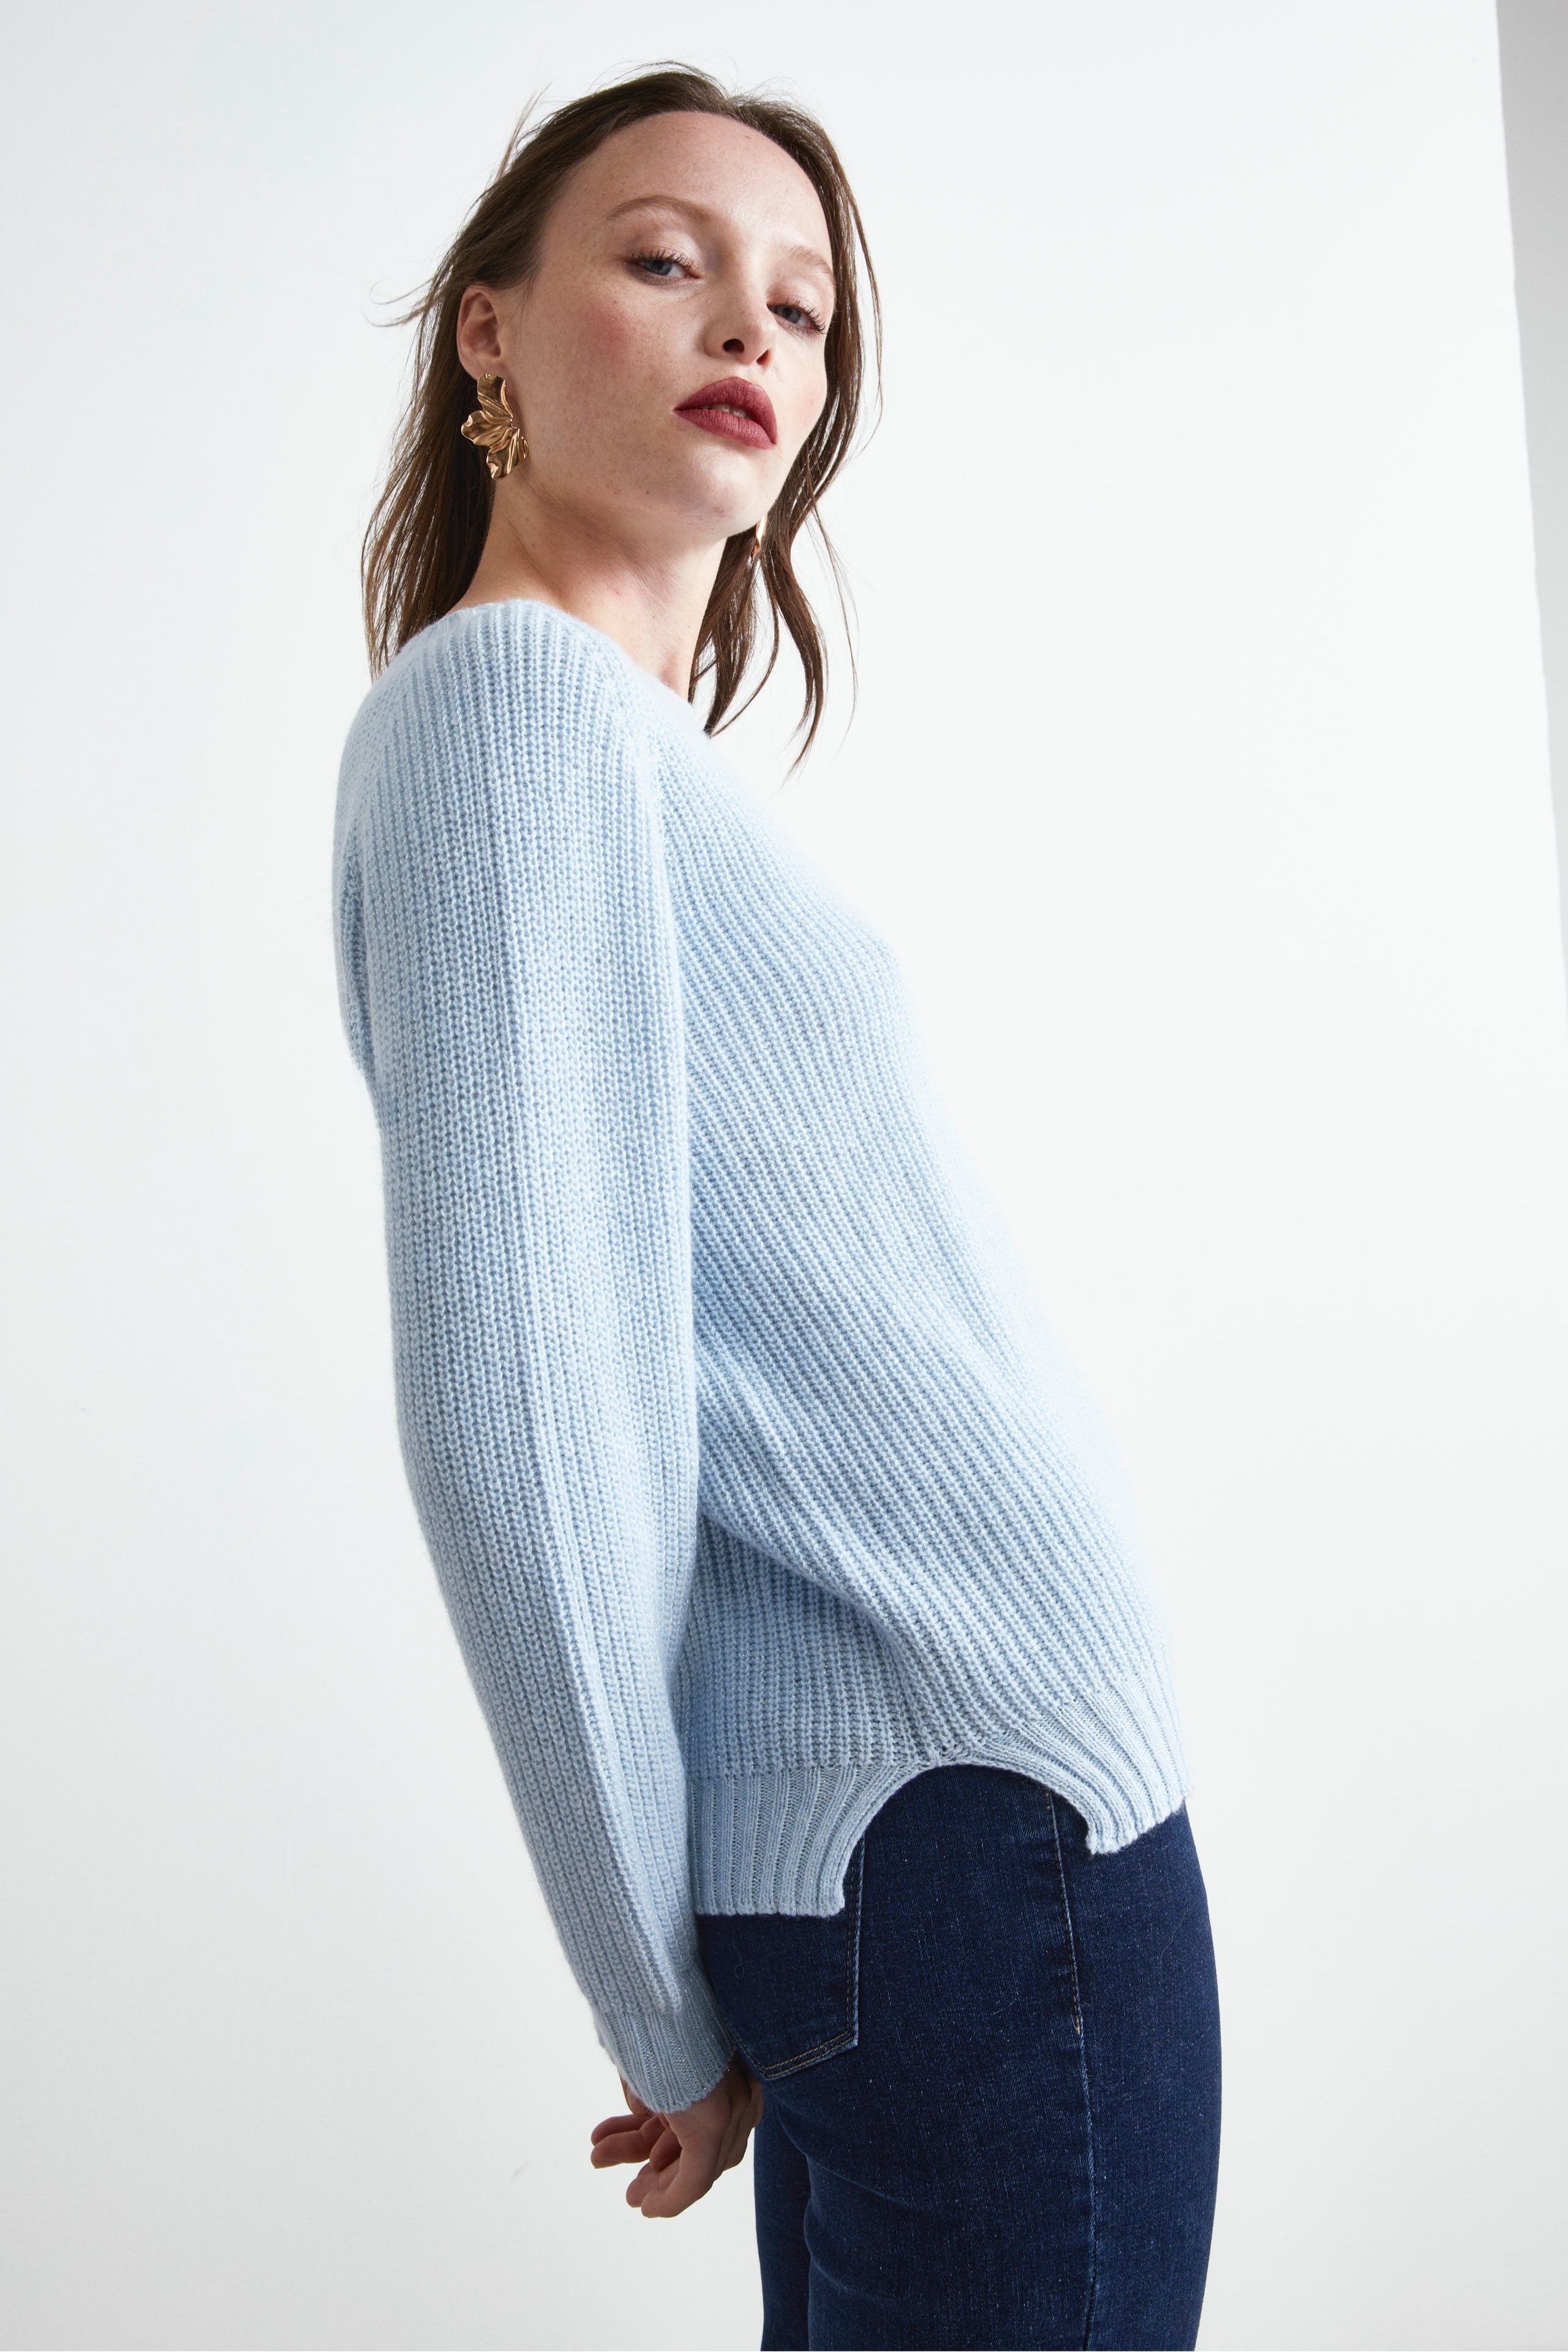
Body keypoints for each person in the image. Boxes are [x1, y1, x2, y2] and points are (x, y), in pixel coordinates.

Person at [334, 62, 1221, 2352]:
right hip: (967, 1842)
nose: (751, 324)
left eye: (804, 308)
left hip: (942, 1836)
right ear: (488, 331)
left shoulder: (602, 747)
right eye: (665, 259)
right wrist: (652, 1997)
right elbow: (525, 1425)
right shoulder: (512, 716)